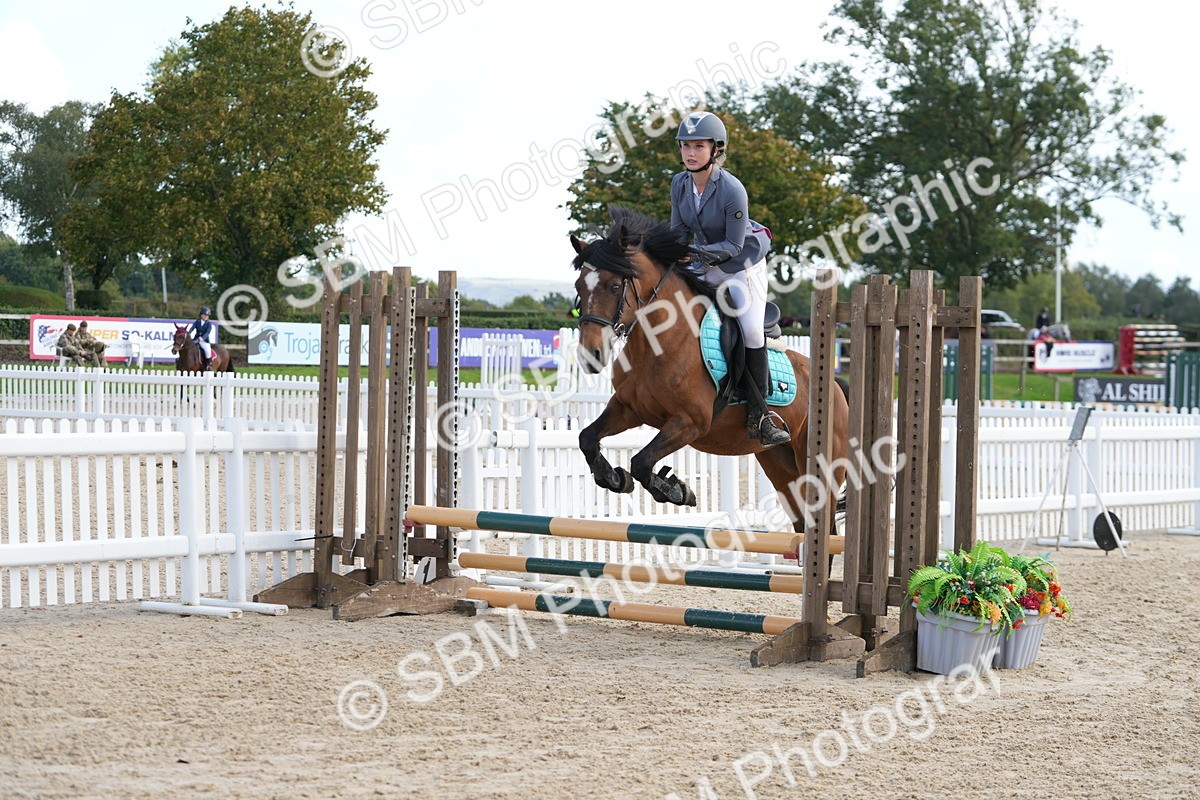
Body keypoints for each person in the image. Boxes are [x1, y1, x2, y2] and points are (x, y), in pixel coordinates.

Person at [669, 110, 789, 446]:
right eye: (685, 146)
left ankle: (761, 413)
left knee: (750, 328)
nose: (690, 153)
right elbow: (678, 231)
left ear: (715, 150)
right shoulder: (679, 184)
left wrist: (693, 255)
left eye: (698, 146)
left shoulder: (732, 189)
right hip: (704, 258)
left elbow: (734, 245)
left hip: (742, 263)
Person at [188, 307, 215, 371]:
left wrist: (202, 338)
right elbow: (192, 328)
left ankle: (208, 365)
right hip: (196, 339)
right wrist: (189, 333)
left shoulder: (209, 324)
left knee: (207, 350)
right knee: (187, 346)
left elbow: (207, 332)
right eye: (205, 315)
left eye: (207, 315)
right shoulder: (197, 322)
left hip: (204, 341)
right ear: (201, 315)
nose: (206, 316)